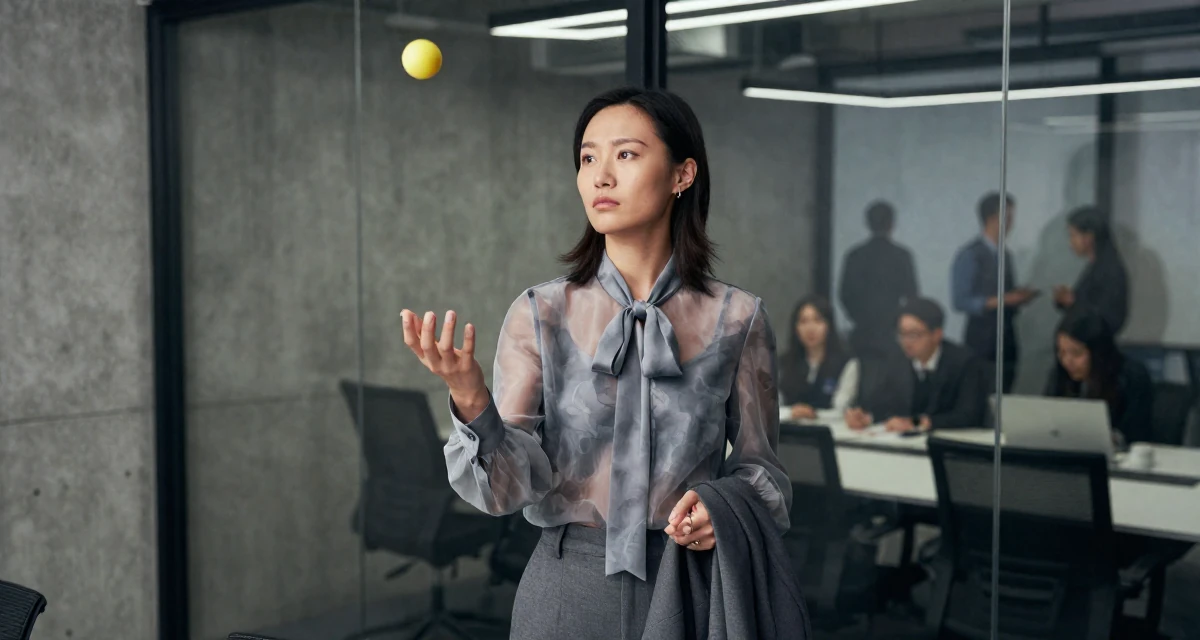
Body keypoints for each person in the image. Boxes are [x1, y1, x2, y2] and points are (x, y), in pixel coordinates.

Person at [400, 87, 792, 638]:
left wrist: (719, 511)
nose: (600, 177)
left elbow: (764, 473)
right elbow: (506, 491)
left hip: (687, 587)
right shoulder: (541, 312)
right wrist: (471, 398)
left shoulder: (738, 318)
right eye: (588, 158)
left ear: (682, 175)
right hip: (566, 590)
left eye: (625, 155)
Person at [845, 298, 987, 433]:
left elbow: (969, 415)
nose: (906, 342)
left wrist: (917, 423)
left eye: (914, 334)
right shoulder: (898, 362)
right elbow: (886, 404)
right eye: (902, 334)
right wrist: (867, 417)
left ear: (936, 334)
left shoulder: (964, 363)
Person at [951, 192, 1038, 393]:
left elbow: (1008, 295)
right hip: (981, 340)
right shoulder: (969, 254)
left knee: (1006, 392)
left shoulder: (1006, 254)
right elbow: (960, 301)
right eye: (1007, 218)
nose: (1011, 225)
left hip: (1007, 337)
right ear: (992, 218)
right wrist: (1004, 300)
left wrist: (1019, 297)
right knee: (980, 394)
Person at [1044, 308, 1152, 447]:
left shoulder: (1131, 375)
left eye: (1076, 353)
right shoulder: (1060, 373)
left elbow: (1137, 433)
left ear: (1097, 353)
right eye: (1062, 352)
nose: (1067, 361)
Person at [838, 200, 919, 358]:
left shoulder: (855, 255)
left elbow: (844, 295)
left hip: (861, 331)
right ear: (892, 223)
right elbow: (912, 296)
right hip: (892, 332)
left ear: (867, 223)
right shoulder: (902, 256)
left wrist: (858, 317)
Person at [778, 295, 859, 422]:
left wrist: (814, 414)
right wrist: (791, 412)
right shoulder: (782, 363)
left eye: (818, 320)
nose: (810, 328)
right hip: (788, 431)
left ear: (829, 325)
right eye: (803, 321)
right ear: (796, 328)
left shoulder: (847, 363)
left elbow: (842, 410)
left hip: (829, 432)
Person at [1054, 206, 1129, 335]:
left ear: (1089, 237)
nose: (1070, 243)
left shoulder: (1110, 270)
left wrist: (1073, 301)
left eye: (1073, 235)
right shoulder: (1095, 266)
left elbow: (1108, 317)